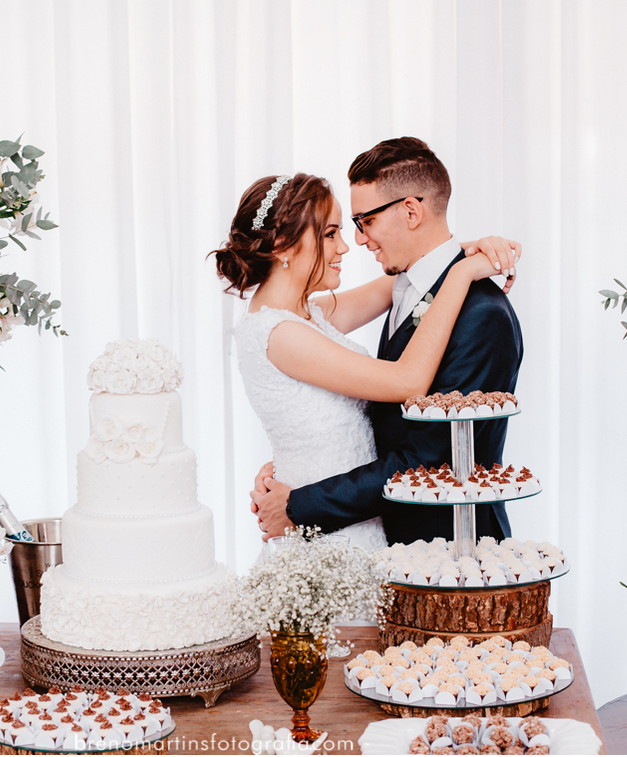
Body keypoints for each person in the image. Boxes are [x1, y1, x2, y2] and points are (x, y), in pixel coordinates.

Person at [212, 161, 518, 551]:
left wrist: (466, 250)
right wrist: (460, 274)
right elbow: (407, 381)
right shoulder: (282, 334)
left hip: (366, 523)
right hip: (335, 533)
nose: (347, 245)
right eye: (330, 233)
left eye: (354, 226)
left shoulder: (310, 315)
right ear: (281, 247)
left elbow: (409, 275)